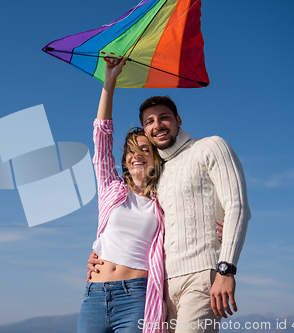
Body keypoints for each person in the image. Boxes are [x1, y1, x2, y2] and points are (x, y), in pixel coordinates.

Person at [88, 66, 251, 332]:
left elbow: (238, 206)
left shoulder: (209, 146)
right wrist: (99, 249)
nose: (157, 125)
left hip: (202, 278)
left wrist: (226, 269)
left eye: (164, 118)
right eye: (149, 122)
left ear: (178, 120)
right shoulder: (156, 181)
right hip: (161, 288)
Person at [76, 56, 166, 333]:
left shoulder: (163, 201)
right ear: (125, 160)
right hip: (94, 294)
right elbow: (101, 137)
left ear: (155, 158)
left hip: (136, 297)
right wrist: (109, 81)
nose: (136, 155)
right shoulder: (111, 189)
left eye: (144, 150)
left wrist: (219, 227)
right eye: (131, 151)